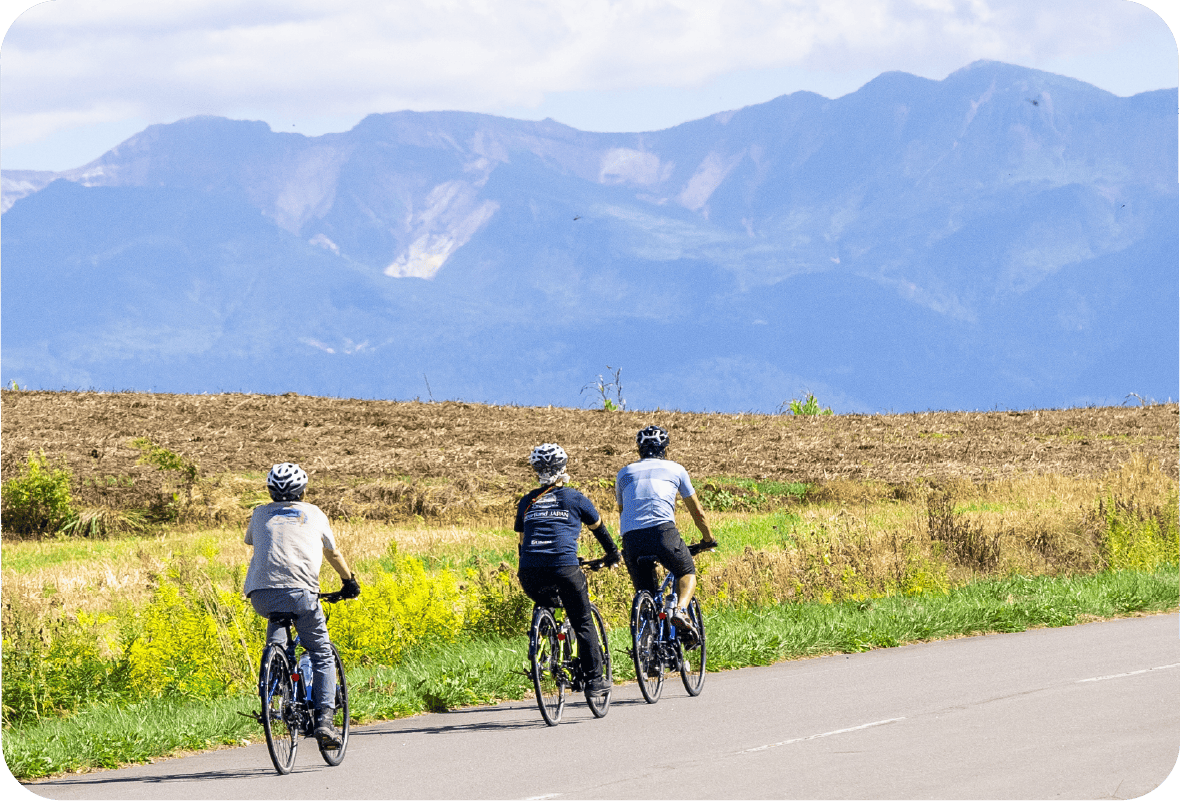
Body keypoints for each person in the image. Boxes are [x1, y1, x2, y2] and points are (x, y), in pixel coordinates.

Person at [243, 462, 360, 748]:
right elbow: (332, 552)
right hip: (302, 593)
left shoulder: (258, 514)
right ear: (304, 491)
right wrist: (349, 581)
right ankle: (325, 721)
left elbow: (252, 542)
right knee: (320, 652)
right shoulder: (314, 513)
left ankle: (274, 683)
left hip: (261, 594)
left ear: (270, 491)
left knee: (279, 635)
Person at [515, 443, 621, 695]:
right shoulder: (575, 498)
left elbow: (521, 543)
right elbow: (599, 529)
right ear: (564, 468)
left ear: (535, 470)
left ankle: (542, 644)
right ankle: (595, 680)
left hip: (529, 570)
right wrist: (613, 554)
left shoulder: (527, 501)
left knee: (544, 599)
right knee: (583, 620)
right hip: (564, 566)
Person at [616, 425, 716, 636]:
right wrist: (707, 538)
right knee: (686, 571)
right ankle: (680, 610)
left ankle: (648, 651)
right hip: (663, 532)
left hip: (631, 538)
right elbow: (697, 510)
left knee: (645, 594)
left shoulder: (623, 473)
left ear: (638, 450)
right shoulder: (675, 469)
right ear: (665, 449)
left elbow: (622, 511)